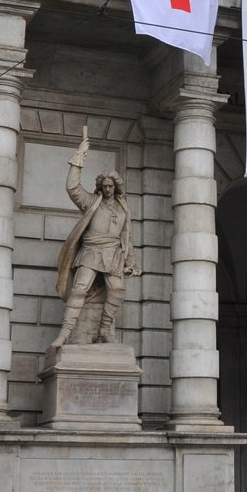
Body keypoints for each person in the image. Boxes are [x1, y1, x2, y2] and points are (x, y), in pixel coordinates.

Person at [52, 126, 139, 348]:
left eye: (111, 186)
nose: (108, 189)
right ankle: (65, 333)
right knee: (80, 288)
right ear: (99, 187)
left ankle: (104, 331)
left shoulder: (123, 209)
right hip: (91, 251)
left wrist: (130, 260)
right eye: (104, 186)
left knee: (117, 290)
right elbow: (72, 188)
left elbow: (126, 237)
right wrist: (79, 156)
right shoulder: (91, 202)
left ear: (116, 187)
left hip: (113, 254)